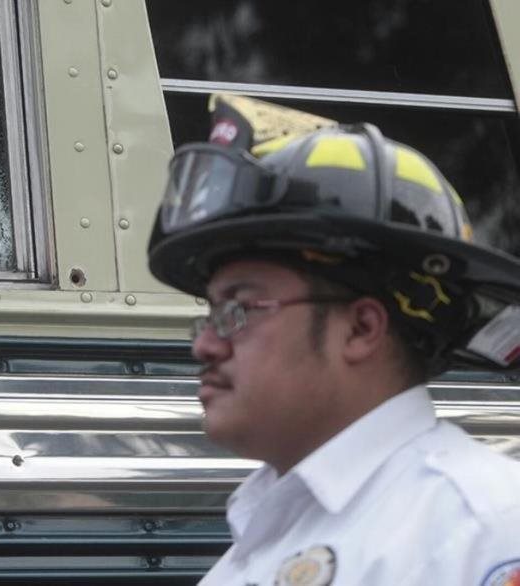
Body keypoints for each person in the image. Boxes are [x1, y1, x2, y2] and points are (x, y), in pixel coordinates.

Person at [147, 94, 520, 585]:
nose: (205, 346)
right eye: (211, 314)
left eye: (238, 310)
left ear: (362, 329)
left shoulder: (483, 532)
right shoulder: (254, 547)